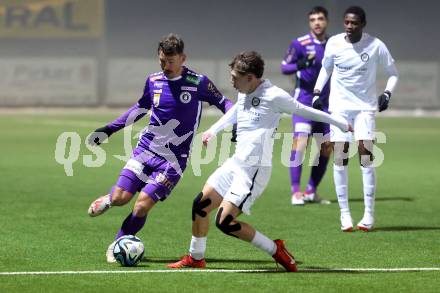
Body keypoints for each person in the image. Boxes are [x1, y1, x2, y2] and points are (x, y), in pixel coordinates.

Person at [167, 51, 351, 272]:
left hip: (254, 171)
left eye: (235, 77)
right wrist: (213, 130)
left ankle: (276, 249)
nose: (231, 80)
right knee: (201, 205)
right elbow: (236, 110)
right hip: (235, 164)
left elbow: (305, 111)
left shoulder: (275, 96)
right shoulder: (245, 90)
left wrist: (338, 122)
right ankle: (196, 257)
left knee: (224, 222)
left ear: (251, 77)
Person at [87, 33, 234, 263]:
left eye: (171, 61)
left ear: (183, 58)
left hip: (173, 161)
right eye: (162, 61)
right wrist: (109, 129)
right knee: (120, 198)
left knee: (142, 205)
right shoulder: (153, 81)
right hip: (146, 150)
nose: (166, 66)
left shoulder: (199, 83)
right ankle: (110, 199)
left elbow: (225, 103)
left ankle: (118, 243)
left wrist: (237, 122)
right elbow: (139, 109)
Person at [312, 6, 398, 232]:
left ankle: (368, 215)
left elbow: (393, 73)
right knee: (340, 156)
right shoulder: (334, 44)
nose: (349, 27)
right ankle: (345, 215)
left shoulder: (376, 45)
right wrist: (317, 92)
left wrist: (387, 93)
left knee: (365, 155)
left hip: (364, 108)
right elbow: (326, 69)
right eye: (347, 23)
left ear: (363, 24)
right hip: (339, 108)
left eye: (354, 23)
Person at [281, 6, 333, 205]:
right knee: (300, 142)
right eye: (313, 19)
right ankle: (296, 192)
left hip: (325, 105)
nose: (317, 22)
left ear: (326, 21)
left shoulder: (335, 44)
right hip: (303, 101)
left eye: (320, 18)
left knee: (327, 146)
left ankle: (311, 191)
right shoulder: (300, 43)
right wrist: (300, 65)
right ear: (309, 23)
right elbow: (284, 67)